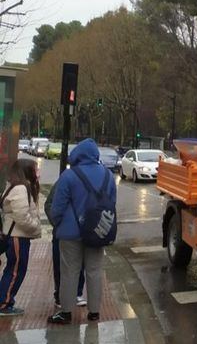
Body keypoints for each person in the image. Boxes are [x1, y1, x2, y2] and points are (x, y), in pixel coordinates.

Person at [48, 139, 117, 324]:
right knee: (94, 271)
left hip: (70, 234)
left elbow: (57, 208)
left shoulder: (69, 176)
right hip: (97, 231)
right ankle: (94, 312)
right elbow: (112, 203)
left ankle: (66, 312)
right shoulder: (108, 176)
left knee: (69, 272)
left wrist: (58, 224)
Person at [0, 159, 42, 316]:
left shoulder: (17, 186)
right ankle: (4, 303)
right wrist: (35, 226)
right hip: (17, 236)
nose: (37, 172)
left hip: (15, 235)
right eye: (34, 169)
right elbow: (22, 216)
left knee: (13, 269)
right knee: (15, 271)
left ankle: (5, 300)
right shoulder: (20, 189)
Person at [44, 180, 86, 309]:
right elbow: (50, 205)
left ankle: (76, 293)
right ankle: (61, 295)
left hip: (79, 231)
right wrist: (58, 224)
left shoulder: (84, 181)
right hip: (63, 232)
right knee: (62, 264)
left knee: (79, 264)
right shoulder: (64, 181)